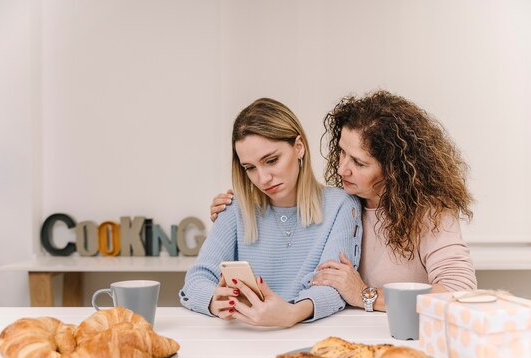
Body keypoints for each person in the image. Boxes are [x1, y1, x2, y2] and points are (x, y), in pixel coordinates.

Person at [210, 91, 477, 313]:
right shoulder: (343, 204)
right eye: (341, 153)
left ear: (395, 169)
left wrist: (365, 295)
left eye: (359, 162)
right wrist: (233, 211)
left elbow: (459, 291)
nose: (341, 170)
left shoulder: (428, 212)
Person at [180, 98, 362, 327]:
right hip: (244, 339)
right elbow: (196, 280)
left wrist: (292, 313)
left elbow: (335, 286)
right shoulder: (233, 208)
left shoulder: (342, 205)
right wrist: (213, 301)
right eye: (250, 168)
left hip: (312, 334)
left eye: (272, 160)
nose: (263, 178)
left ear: (299, 147)